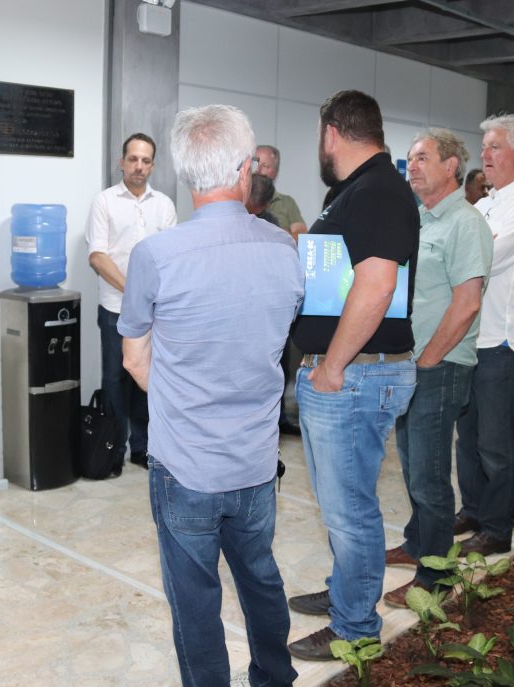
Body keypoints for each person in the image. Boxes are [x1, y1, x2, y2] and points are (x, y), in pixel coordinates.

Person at [119, 104, 302, 687]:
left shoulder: (155, 255)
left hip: (185, 466)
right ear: (247, 168)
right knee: (261, 579)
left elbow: (135, 359)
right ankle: (274, 677)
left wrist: (184, 398)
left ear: (182, 171)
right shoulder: (284, 249)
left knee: (195, 602)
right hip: (254, 463)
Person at [286, 90, 419, 660]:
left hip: (356, 375)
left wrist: (333, 366)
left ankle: (356, 626)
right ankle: (347, 592)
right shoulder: (359, 190)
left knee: (350, 510)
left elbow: (378, 285)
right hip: (350, 374)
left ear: (332, 134)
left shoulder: (379, 191)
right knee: (342, 505)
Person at [382, 128, 492, 606]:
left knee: (429, 475)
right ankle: (416, 542)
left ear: (451, 167)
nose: (413, 166)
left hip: (440, 365)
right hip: (415, 363)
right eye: (410, 158)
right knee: (411, 464)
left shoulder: (465, 223)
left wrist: (428, 359)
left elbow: (468, 303)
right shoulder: (421, 219)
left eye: (423, 157)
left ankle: (436, 575)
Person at [454, 115, 514, 555]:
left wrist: (461, 248)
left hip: (502, 340)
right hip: (471, 337)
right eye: (484, 146)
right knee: (469, 436)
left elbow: (484, 255)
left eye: (494, 146)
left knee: (496, 442)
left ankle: (496, 528)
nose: (485, 154)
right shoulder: (485, 203)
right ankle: (473, 510)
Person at [85, 133, 177, 476]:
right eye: (133, 159)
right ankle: (113, 450)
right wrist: (133, 290)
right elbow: (97, 256)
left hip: (155, 311)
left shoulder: (164, 205)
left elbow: (171, 257)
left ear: (153, 166)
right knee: (115, 379)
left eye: (145, 160)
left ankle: (142, 447)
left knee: (146, 379)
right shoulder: (105, 202)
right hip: (115, 308)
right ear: (121, 162)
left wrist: (150, 297)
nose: (139, 166)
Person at [247, 173, 303, 437]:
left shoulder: (272, 224)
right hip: (243, 311)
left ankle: (277, 420)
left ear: (267, 205)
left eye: (258, 209)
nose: (254, 214)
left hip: (270, 309)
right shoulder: (230, 221)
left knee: (278, 367)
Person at [256, 144, 307, 239]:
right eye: (254, 163)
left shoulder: (287, 203)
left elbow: (302, 236)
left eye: (265, 166)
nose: (257, 170)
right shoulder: (239, 200)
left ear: (275, 172)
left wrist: (277, 233)